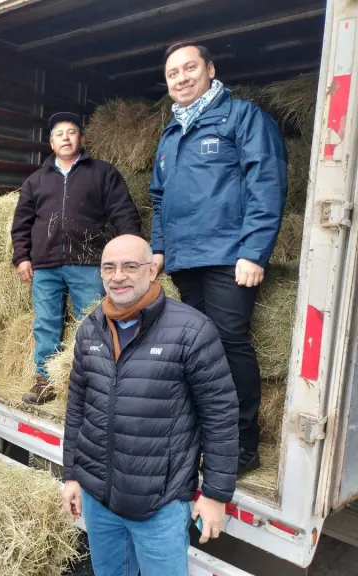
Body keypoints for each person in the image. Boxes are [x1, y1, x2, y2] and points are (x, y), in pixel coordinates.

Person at [61, 235, 239, 576]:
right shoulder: (91, 329)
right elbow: (78, 408)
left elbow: (220, 415)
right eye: (109, 268)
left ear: (152, 270)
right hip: (99, 499)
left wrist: (216, 494)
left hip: (159, 505)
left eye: (130, 266)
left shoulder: (191, 330)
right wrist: (72, 475)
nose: (118, 276)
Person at [150, 42, 287, 474]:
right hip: (184, 260)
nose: (182, 78)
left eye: (189, 68)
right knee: (195, 349)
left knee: (229, 344)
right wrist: (159, 249)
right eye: (173, 73)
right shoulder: (170, 135)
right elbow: (159, 199)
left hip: (229, 257)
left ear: (210, 69)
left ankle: (244, 443)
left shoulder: (242, 117)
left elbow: (266, 183)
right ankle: (203, 432)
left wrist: (254, 251)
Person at [11, 111, 142, 406]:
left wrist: (131, 250)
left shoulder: (102, 173)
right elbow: (21, 224)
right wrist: (21, 257)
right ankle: (45, 381)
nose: (66, 138)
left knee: (93, 322)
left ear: (81, 138)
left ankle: (95, 381)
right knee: (46, 323)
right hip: (45, 265)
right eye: (59, 134)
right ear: (51, 143)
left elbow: (123, 212)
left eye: (71, 132)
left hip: (88, 262)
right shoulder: (36, 181)